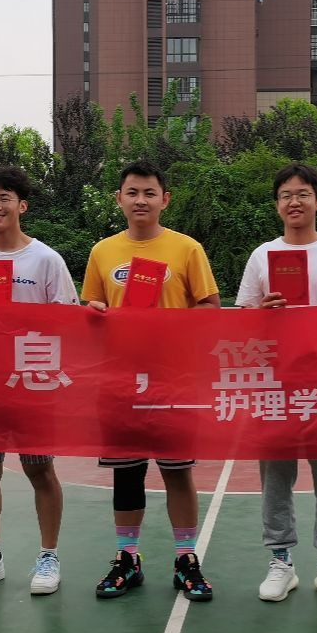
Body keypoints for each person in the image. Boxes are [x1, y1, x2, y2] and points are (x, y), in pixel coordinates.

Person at [81, 161, 221, 601]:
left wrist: (167, 325)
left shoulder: (187, 249)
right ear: (119, 199)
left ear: (165, 199)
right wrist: (94, 314)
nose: (140, 200)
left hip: (173, 379)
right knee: (127, 473)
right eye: (132, 192)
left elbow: (210, 306)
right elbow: (90, 307)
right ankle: (127, 558)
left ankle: (186, 559)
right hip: (120, 379)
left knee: (178, 471)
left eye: (149, 192)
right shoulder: (103, 251)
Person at [236, 163, 317, 605]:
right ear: (277, 204)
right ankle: (281, 560)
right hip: (275, 383)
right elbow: (242, 322)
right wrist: (264, 314)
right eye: (285, 195)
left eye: (303, 194)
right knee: (276, 473)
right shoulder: (262, 256)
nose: (294, 202)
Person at [0, 166, 78, 594]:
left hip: (32, 380)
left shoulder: (46, 259)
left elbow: (69, 322)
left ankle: (48, 556)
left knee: (40, 469)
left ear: (22, 206)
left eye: (4, 198)